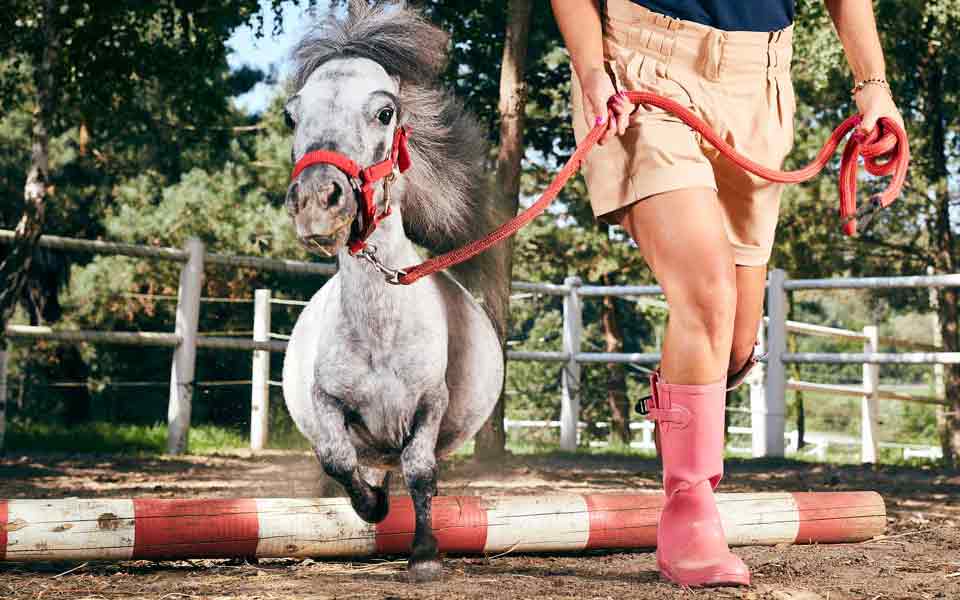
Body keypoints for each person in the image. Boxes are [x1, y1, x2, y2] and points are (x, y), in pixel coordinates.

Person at [550, 0, 904, 588]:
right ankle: (688, 509)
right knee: (706, 289)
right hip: (642, 64)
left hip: (760, 80)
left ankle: (681, 406)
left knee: (737, 344)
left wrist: (873, 86)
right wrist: (591, 66)